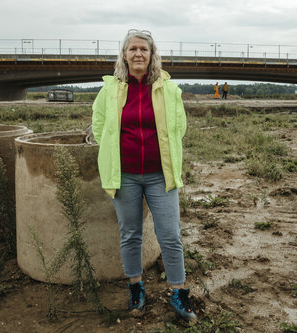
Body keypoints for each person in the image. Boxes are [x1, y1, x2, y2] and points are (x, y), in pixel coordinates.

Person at [91, 29, 197, 322]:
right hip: (124, 177)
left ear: (152, 57)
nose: (138, 54)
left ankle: (178, 291)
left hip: (159, 176)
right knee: (131, 234)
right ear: (124, 55)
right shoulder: (110, 90)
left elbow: (180, 128)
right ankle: (136, 287)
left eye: (144, 50)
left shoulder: (168, 90)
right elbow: (99, 128)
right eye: (133, 49)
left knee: (171, 235)